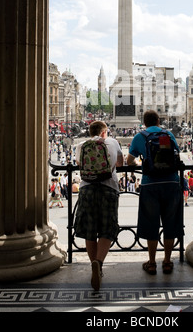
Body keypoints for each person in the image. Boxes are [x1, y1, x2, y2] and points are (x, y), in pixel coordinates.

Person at [127, 110, 183, 276]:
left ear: (144, 123)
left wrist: (139, 161)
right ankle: (167, 261)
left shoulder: (140, 137)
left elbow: (130, 161)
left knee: (151, 223)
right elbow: (176, 155)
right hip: (171, 182)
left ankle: (152, 263)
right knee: (170, 223)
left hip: (150, 183)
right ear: (158, 121)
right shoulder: (168, 134)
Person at [74, 121, 124, 291]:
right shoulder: (113, 142)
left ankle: (93, 265)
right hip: (108, 188)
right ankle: (99, 263)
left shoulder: (81, 145)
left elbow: (80, 166)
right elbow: (120, 164)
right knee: (107, 228)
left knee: (90, 230)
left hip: (86, 189)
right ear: (104, 133)